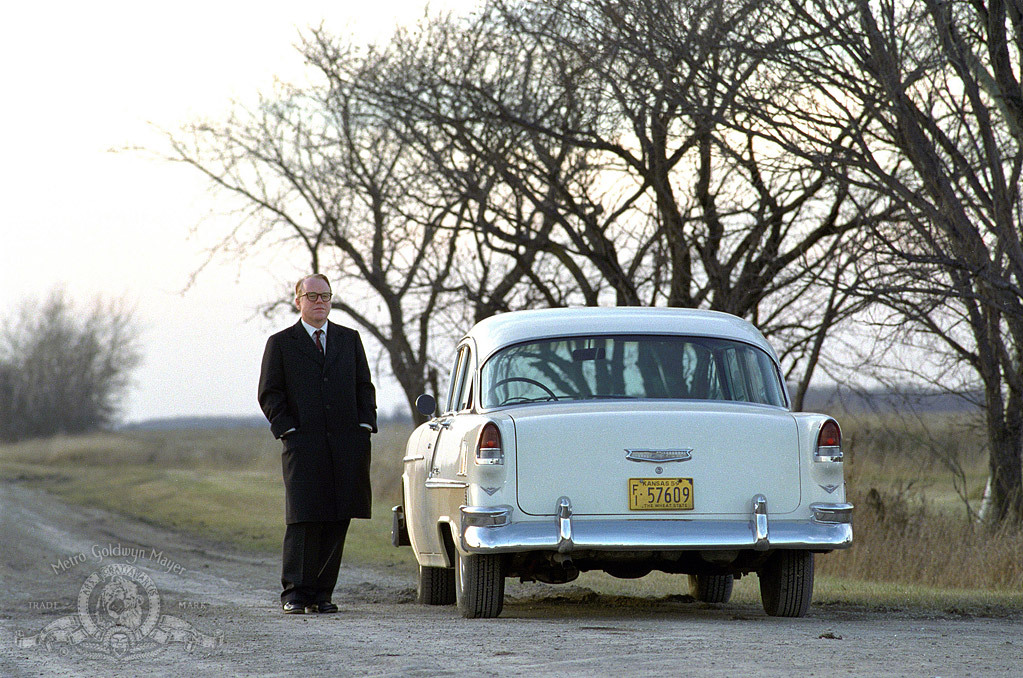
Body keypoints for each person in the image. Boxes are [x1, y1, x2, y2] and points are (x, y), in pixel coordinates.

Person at [257, 273, 377, 614]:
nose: (320, 301)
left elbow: (363, 386)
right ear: (298, 301)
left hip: (346, 446)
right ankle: (295, 594)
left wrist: (365, 424)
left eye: (325, 296)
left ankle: (322, 595)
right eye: (312, 296)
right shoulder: (281, 343)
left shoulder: (349, 339)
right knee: (304, 518)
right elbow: (269, 393)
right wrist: (287, 430)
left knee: (338, 517)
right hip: (303, 445)